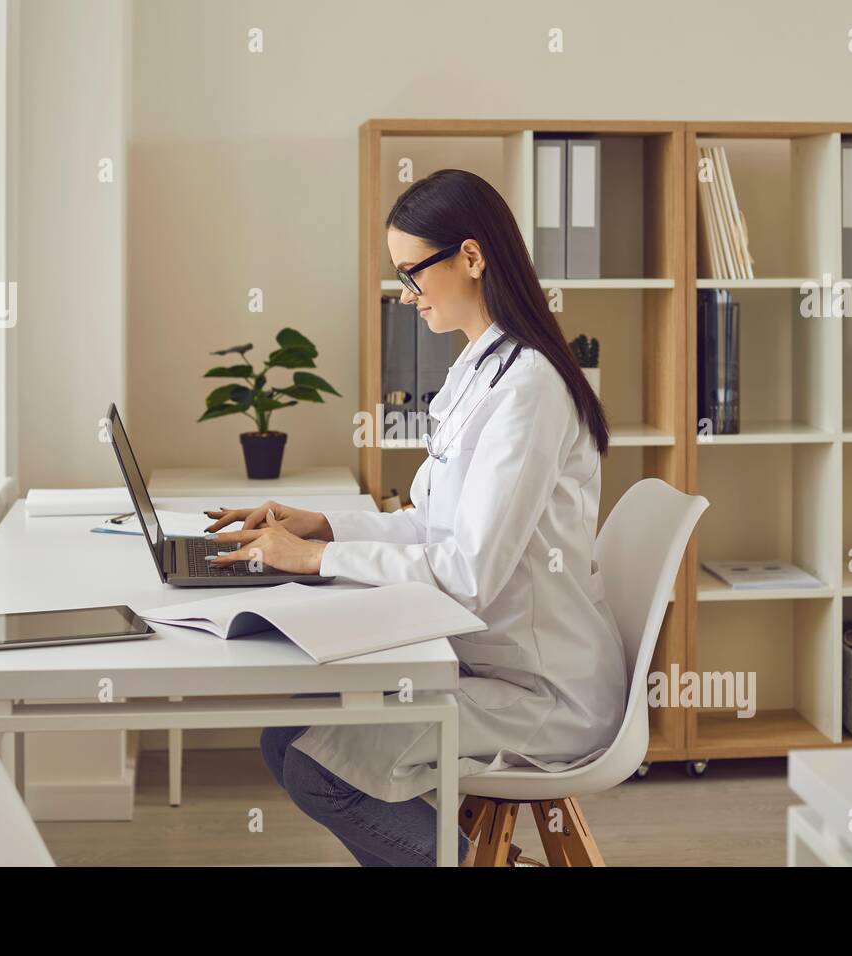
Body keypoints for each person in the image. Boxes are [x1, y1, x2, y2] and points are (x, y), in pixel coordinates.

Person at [203, 168, 623, 867]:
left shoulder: (530, 390)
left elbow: (466, 575)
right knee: (288, 738)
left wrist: (316, 562)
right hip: (487, 659)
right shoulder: (477, 370)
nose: (407, 293)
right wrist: (324, 529)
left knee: (315, 761)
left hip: (542, 692)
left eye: (413, 272)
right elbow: (431, 524)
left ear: (471, 256)